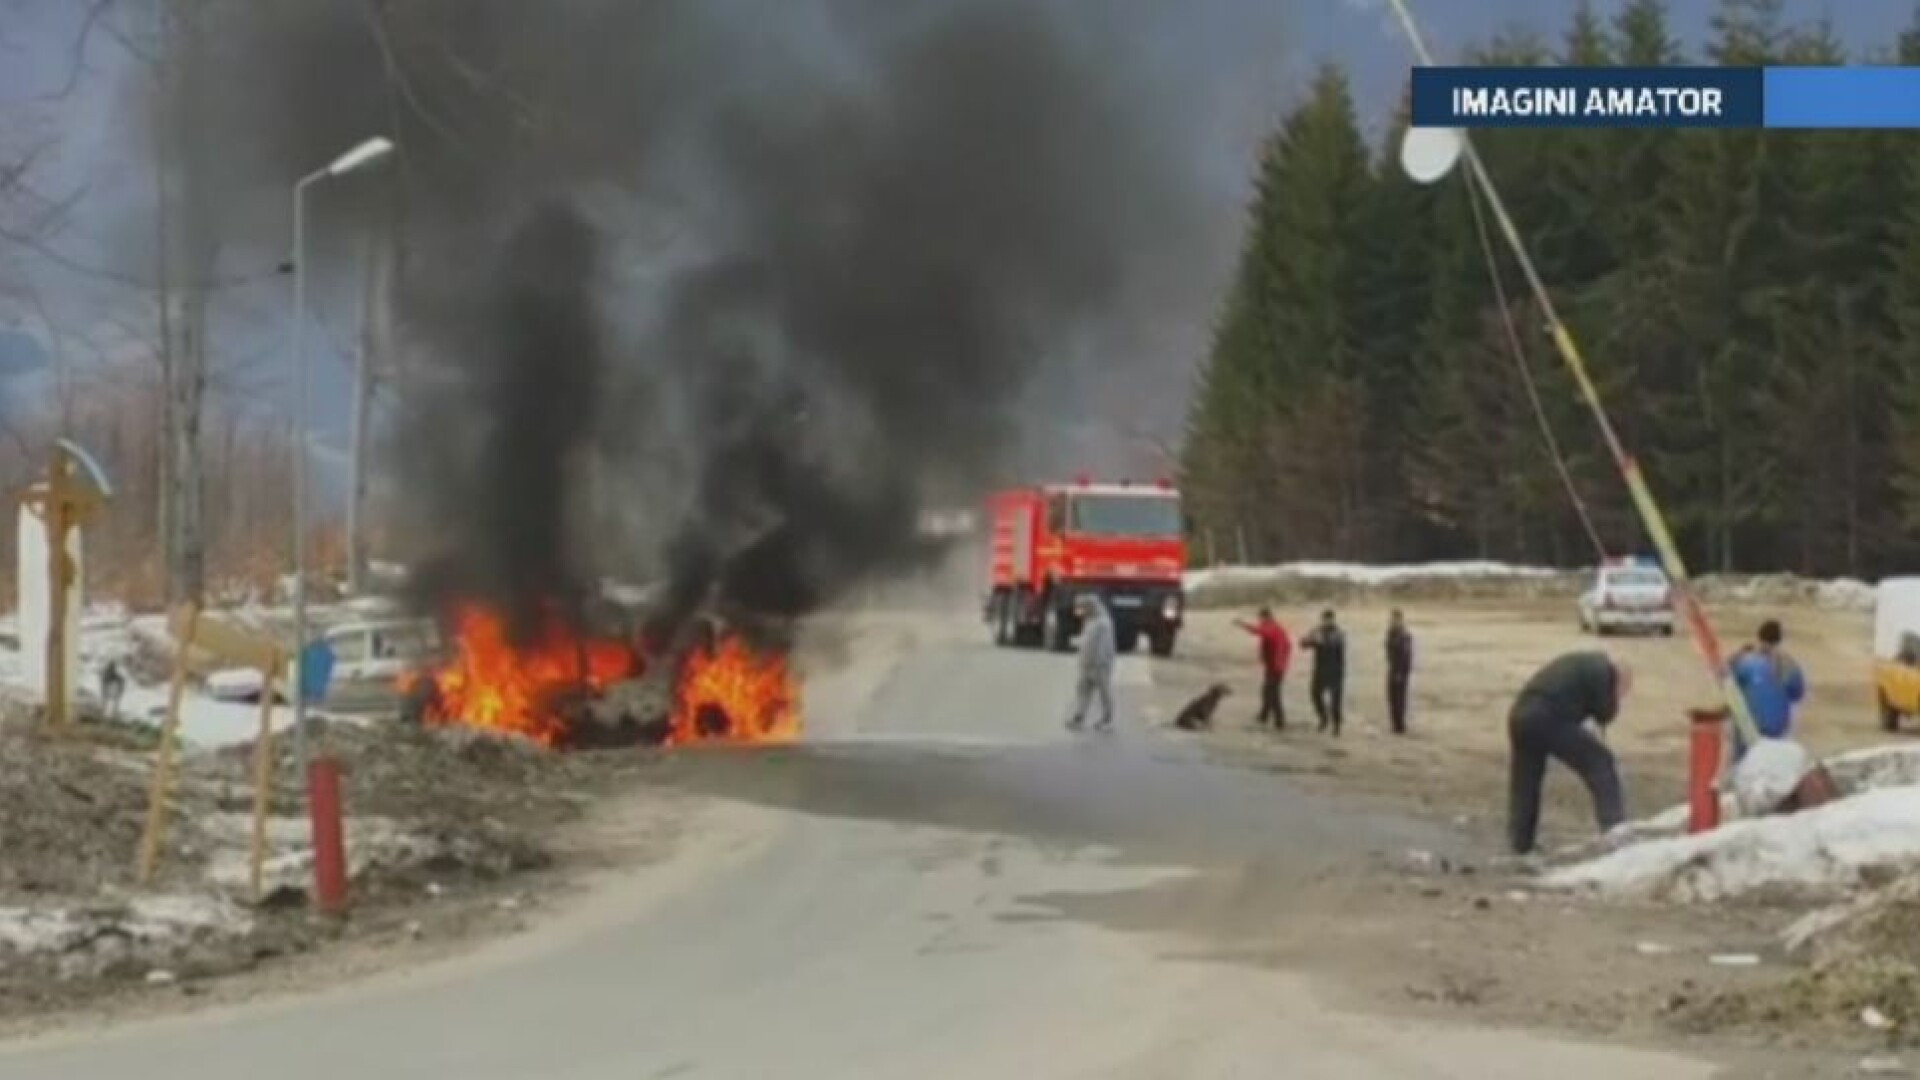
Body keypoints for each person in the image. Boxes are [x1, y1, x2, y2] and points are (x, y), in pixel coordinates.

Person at [1507, 651, 1632, 856]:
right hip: (1548, 716)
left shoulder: (1585, 664)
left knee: (1526, 781)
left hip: (1520, 714)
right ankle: (1614, 826)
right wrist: (1616, 696)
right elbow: (1604, 712)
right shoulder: (1604, 672)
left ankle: (1521, 842)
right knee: (1600, 762)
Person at [1729, 619, 1806, 760]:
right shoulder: (1790, 665)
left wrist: (1737, 655)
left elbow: (1729, 682)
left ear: (1759, 637)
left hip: (1750, 727)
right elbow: (1797, 694)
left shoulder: (1748, 661)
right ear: (1780, 639)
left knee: (1744, 763)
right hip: (1777, 729)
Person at [1234, 607, 1292, 729]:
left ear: (1266, 617)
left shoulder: (1273, 628)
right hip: (1273, 665)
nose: (1260, 620)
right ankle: (1264, 716)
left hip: (1276, 666)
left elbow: (1259, 631)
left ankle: (1279, 720)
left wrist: (1242, 624)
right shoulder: (1274, 627)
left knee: (1273, 693)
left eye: (1261, 618)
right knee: (1267, 692)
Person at [1065, 595, 1116, 732]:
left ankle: (1107, 718)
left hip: (1100, 665)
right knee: (1082, 691)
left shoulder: (1102, 623)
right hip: (1087, 664)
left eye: (1084, 607)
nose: (1081, 611)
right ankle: (1079, 717)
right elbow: (1087, 641)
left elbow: (1104, 646)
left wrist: (1101, 662)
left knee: (1104, 692)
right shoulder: (1090, 622)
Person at [1301, 609, 1347, 735]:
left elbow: (1336, 646)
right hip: (1320, 670)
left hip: (1334, 671)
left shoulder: (1338, 633)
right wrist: (1310, 640)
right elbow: (1303, 644)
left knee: (1335, 701)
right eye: (1325, 619)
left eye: (1328, 619)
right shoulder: (1317, 631)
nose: (1326, 622)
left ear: (1332, 620)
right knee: (1315, 694)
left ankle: (1336, 726)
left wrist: (1320, 641)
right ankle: (1323, 717)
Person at [1385, 610, 1413, 735]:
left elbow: (1407, 656)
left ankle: (1400, 725)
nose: (1393, 622)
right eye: (1392, 620)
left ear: (1400, 620)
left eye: (1395, 620)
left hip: (1401, 671)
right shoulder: (1390, 634)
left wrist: (1402, 673)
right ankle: (1394, 723)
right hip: (1392, 668)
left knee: (1400, 698)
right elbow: (1388, 652)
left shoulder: (1404, 636)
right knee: (1391, 697)